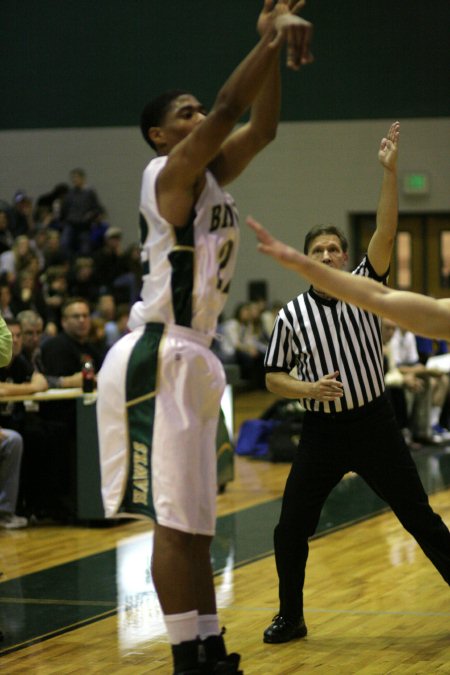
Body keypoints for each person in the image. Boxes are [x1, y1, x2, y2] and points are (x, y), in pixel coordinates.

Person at [96, 3, 313, 673]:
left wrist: (272, 53)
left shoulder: (215, 177)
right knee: (170, 519)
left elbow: (263, 126)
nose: (200, 119)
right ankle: (184, 655)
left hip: (193, 353)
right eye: (183, 115)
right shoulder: (166, 177)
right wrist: (267, 38)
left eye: (196, 112)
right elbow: (228, 106)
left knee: (196, 520)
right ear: (161, 136)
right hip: (154, 355)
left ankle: (210, 642)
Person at [247, 120, 450, 645]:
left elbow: (385, 231)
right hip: (322, 433)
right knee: (290, 528)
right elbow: (271, 377)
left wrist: (390, 172)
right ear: (307, 261)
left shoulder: (365, 287)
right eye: (320, 252)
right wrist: (307, 390)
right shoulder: (290, 315)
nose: (330, 257)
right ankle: (291, 616)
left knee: (420, 519)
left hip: (375, 424)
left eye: (336, 249)